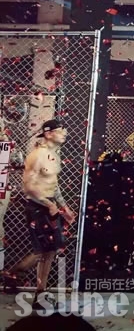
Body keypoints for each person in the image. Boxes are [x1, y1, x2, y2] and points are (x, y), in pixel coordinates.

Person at [2, 119, 76, 308]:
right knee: (43, 251)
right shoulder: (37, 156)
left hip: (48, 206)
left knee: (49, 251)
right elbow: (28, 187)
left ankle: (38, 294)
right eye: (60, 130)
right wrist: (48, 204)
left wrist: (64, 207)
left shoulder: (53, 155)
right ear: (49, 133)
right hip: (38, 207)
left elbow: (53, 184)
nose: (64, 133)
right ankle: (13, 274)